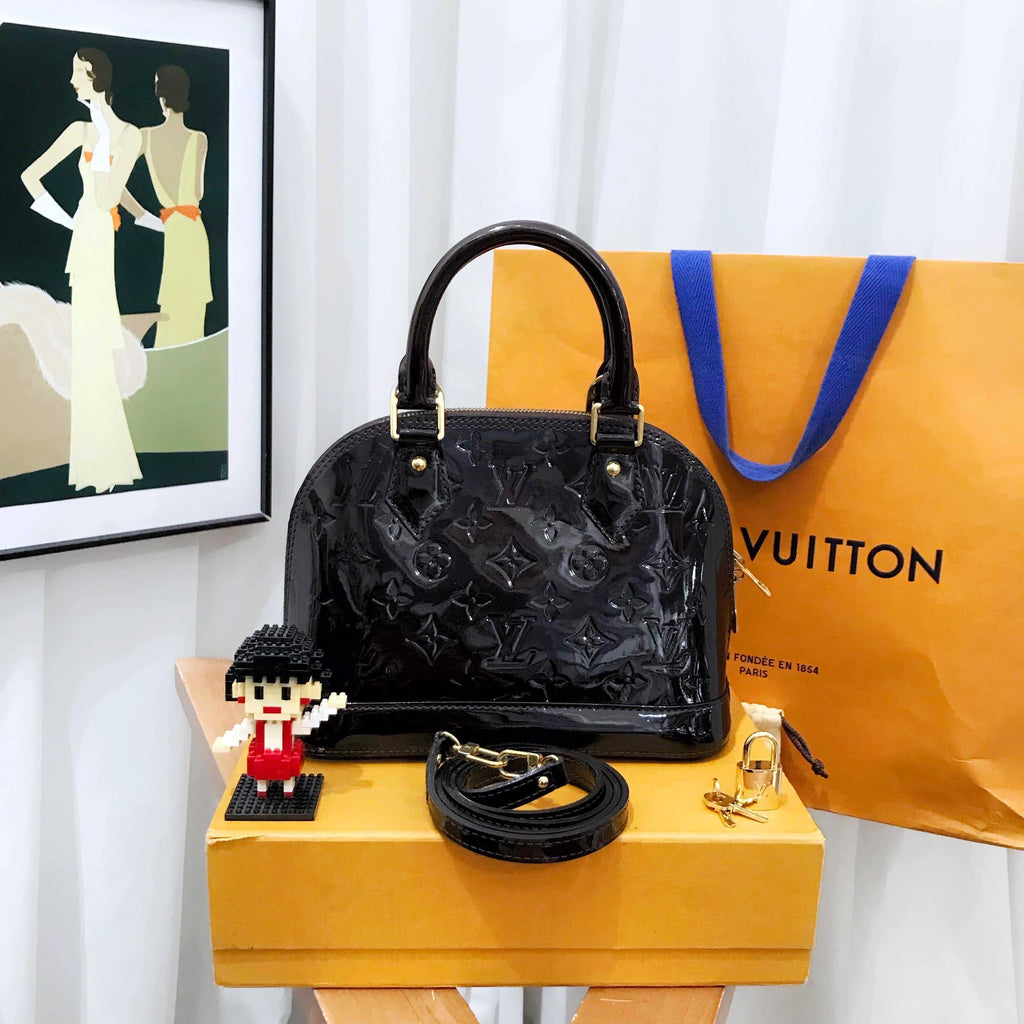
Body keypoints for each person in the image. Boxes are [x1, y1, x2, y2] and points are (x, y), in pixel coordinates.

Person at [20, 47, 143, 493]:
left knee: (99, 345)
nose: (73, 81)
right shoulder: (80, 129)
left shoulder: (128, 135)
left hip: (102, 241)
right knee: (88, 347)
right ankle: (94, 463)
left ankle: (106, 461)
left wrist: (106, 139)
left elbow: (110, 196)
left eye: (79, 73)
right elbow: (30, 177)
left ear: (97, 77)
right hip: (86, 239)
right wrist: (69, 220)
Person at [122, 64, 212, 347]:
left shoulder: (145, 137)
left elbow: (116, 183)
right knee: (192, 309)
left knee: (172, 307)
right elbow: (197, 192)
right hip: (194, 231)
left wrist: (144, 216)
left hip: (173, 229)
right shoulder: (199, 139)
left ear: (161, 96)